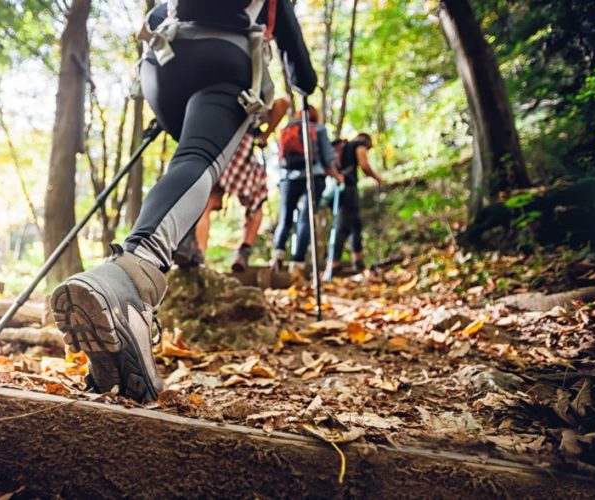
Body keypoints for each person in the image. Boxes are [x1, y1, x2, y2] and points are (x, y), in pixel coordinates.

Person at [50, 0, 317, 403]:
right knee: (199, 160)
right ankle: (133, 278)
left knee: (187, 159)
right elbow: (296, 59)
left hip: (160, 64)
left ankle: (175, 259)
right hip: (221, 60)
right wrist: (305, 85)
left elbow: (159, 13)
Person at [176, 97, 290, 272]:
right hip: (242, 149)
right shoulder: (253, 93)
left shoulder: (216, 97)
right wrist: (265, 136)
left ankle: (198, 254)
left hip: (216, 146)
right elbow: (284, 103)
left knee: (205, 204)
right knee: (256, 203)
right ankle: (243, 252)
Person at [271, 106, 343, 277]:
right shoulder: (318, 129)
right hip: (313, 176)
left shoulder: (288, 129)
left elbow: (280, 159)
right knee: (306, 218)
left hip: (288, 178)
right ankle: (297, 263)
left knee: (285, 218)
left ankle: (277, 255)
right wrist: (337, 176)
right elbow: (327, 158)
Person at [325, 132, 383, 277]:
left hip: (338, 189)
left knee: (355, 224)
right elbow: (364, 164)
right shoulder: (358, 144)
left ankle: (357, 262)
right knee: (342, 226)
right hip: (347, 189)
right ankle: (334, 265)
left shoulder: (343, 147)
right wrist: (377, 178)